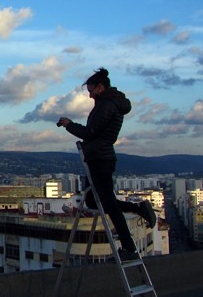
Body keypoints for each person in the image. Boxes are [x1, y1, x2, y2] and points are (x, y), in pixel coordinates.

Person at [57, 67, 156, 261]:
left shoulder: (106, 105)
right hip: (99, 157)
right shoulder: (110, 103)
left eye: (91, 91)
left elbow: (90, 132)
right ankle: (138, 210)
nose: (90, 96)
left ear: (100, 87)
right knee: (93, 201)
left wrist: (69, 124)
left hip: (100, 158)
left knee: (109, 204)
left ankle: (129, 247)